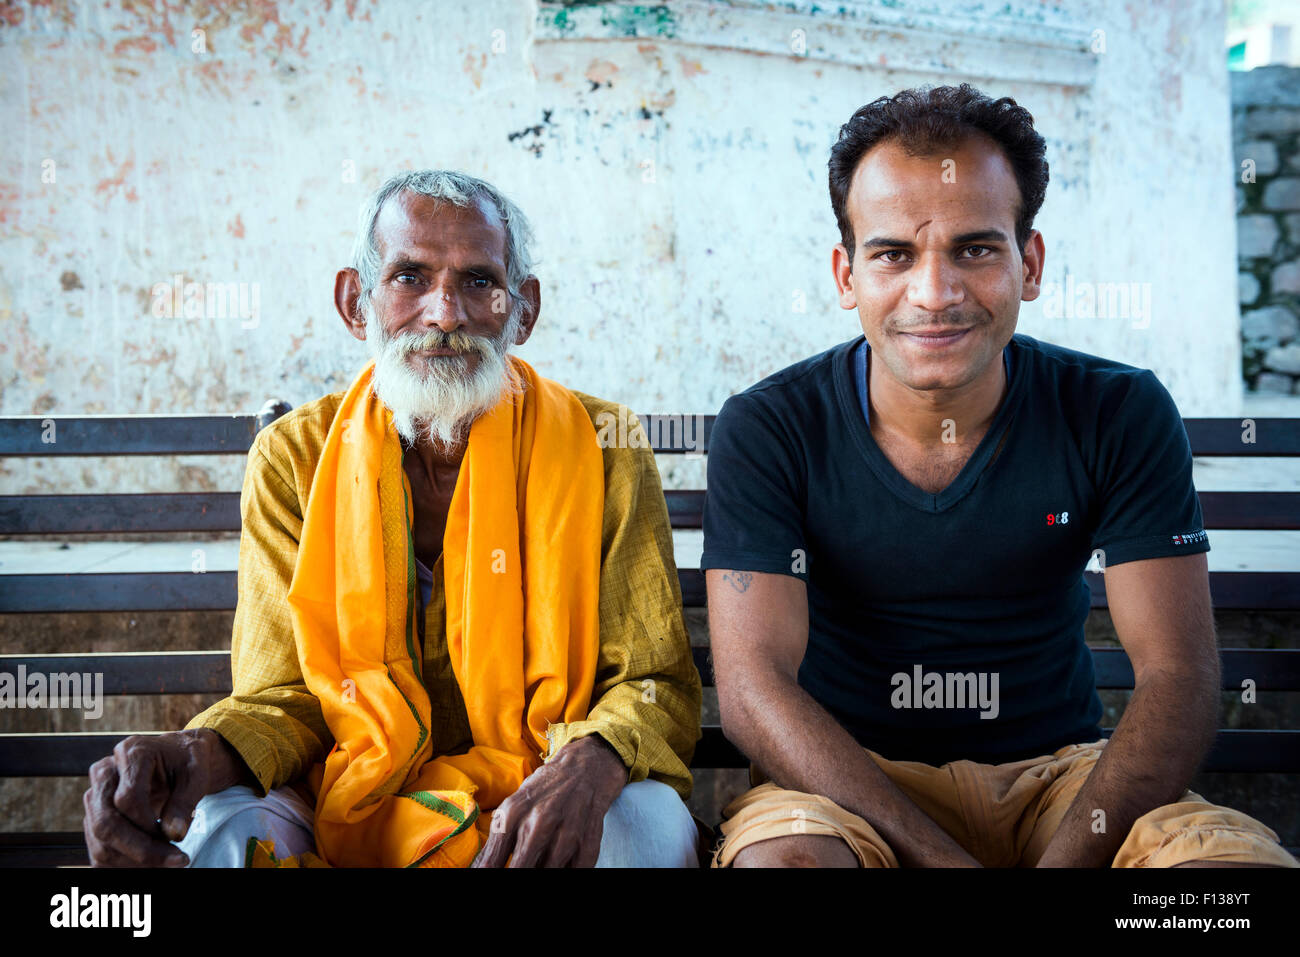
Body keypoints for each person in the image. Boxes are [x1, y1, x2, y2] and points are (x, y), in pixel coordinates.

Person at [702, 84, 1297, 868]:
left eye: (976, 248)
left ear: (1030, 262)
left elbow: (1178, 674)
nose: (935, 293)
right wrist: (939, 858)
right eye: (894, 254)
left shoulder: (1116, 410)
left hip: (1067, 782)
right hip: (847, 792)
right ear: (847, 276)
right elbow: (754, 692)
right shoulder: (771, 425)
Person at [82, 170, 702, 868]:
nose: (444, 313)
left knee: (642, 826)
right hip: (345, 800)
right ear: (356, 303)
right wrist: (196, 752)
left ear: (522, 309)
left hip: (541, 793)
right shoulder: (295, 457)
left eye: (478, 281)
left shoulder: (602, 446)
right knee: (222, 828)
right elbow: (286, 695)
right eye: (409, 277)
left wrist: (591, 764)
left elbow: (655, 684)